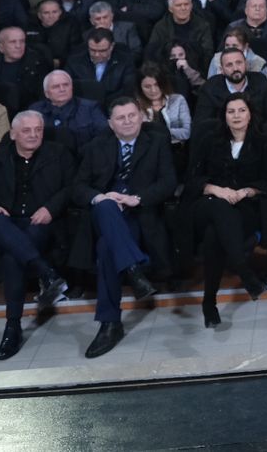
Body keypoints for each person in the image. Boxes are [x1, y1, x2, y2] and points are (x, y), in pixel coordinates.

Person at [73, 94, 177, 358]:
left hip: (139, 214)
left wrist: (136, 199)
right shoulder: (97, 146)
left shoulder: (157, 142)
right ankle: (134, 271)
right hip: (106, 215)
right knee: (106, 206)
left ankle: (110, 323)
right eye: (121, 118)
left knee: (106, 248)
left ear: (141, 116)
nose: (128, 121)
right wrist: (101, 197)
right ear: (111, 123)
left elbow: (168, 183)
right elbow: (78, 187)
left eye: (132, 115)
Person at [0, 109, 73, 360]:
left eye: (38, 130)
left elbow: (71, 187)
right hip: (7, 222)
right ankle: (46, 272)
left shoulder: (58, 154)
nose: (33, 135)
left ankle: (12, 326)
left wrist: (50, 208)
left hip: (39, 221)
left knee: (13, 257)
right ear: (13, 134)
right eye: (26, 130)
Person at [189, 94, 267, 328]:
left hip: (243, 207)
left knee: (213, 236)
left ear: (250, 115)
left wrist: (246, 191)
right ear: (224, 116)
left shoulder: (263, 142)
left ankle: (209, 303)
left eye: (241, 110)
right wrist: (217, 190)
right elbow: (193, 179)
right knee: (219, 206)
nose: (236, 116)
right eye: (231, 111)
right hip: (208, 203)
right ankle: (243, 271)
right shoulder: (210, 140)